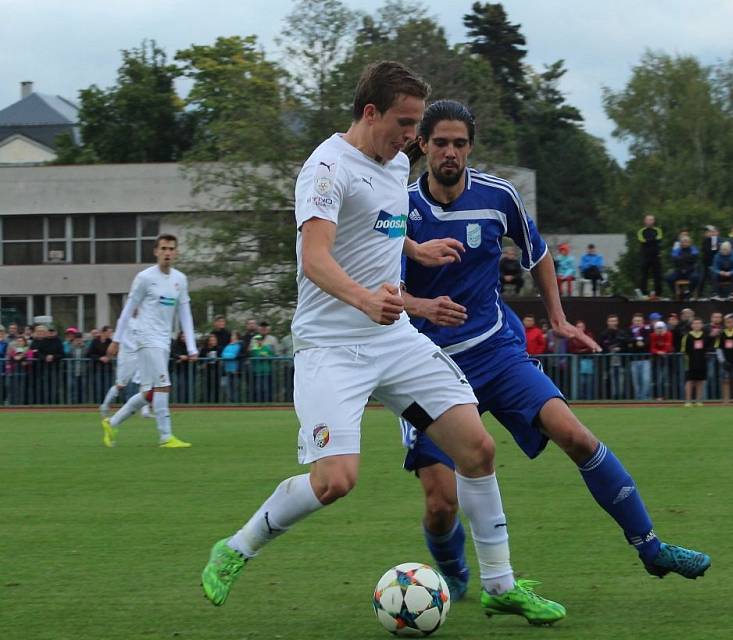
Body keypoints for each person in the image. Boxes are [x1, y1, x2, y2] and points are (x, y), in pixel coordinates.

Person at [200, 64, 562, 624]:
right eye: (407, 123)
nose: (413, 138)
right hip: (332, 349)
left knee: (477, 450)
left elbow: (382, 227)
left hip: (395, 343)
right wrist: (365, 299)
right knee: (335, 481)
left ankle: (500, 585)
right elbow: (314, 258)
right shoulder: (325, 169)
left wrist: (416, 252)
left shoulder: (395, 161)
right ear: (371, 113)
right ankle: (236, 547)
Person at [396, 99, 709, 609]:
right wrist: (421, 304)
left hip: (498, 351)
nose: (450, 152)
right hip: (427, 366)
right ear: (423, 145)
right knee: (440, 503)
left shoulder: (499, 197)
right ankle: (452, 573)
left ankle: (651, 548)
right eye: (440, 143)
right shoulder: (400, 209)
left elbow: (538, 253)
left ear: (470, 147)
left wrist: (560, 319)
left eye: (459, 143)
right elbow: (383, 287)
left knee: (576, 435)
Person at [102, 234, 198, 448]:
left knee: (149, 393)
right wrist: (116, 339)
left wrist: (191, 346)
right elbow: (128, 310)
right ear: (156, 251)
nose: (167, 252)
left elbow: (185, 314)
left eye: (171, 249)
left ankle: (112, 422)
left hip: (164, 340)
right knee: (164, 385)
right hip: (146, 338)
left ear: (176, 252)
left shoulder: (179, 279)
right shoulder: (145, 277)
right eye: (163, 248)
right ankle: (166, 437)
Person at [100, 313, 153, 418]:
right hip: (126, 356)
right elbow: (122, 338)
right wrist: (135, 347)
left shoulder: (143, 319)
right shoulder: (124, 319)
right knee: (120, 385)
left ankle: (145, 411)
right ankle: (105, 406)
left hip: (139, 355)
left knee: (144, 382)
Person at [681, 318, 710, 406]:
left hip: (702, 362)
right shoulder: (687, 336)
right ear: (692, 325)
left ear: (702, 325)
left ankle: (698, 400)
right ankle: (688, 401)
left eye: (699, 323)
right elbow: (684, 350)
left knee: (700, 381)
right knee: (690, 381)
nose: (697, 325)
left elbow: (707, 349)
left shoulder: (705, 336)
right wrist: (687, 362)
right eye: (695, 323)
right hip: (690, 362)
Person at [599, 314, 627, 400]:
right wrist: (609, 349)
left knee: (621, 380)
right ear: (607, 322)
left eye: (614, 321)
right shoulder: (603, 334)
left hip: (620, 362)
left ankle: (621, 398)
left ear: (617, 322)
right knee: (610, 381)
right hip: (608, 363)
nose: (613, 323)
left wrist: (620, 348)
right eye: (611, 321)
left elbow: (626, 345)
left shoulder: (622, 333)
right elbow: (601, 347)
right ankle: (611, 398)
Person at [637, 215, 663, 297]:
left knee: (657, 275)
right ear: (645, 221)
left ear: (654, 221)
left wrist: (649, 240)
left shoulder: (658, 230)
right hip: (645, 256)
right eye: (648, 220)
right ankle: (644, 293)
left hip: (656, 255)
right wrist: (652, 240)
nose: (650, 221)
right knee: (644, 275)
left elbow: (659, 238)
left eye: (651, 220)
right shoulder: (641, 231)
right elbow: (642, 240)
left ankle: (658, 293)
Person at [628, 313, 652, 400]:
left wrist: (643, 343)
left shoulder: (647, 330)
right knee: (636, 382)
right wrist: (635, 341)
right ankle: (638, 399)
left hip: (645, 359)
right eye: (636, 320)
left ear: (642, 321)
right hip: (634, 360)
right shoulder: (629, 330)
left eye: (639, 320)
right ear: (633, 321)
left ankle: (644, 398)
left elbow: (648, 341)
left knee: (646, 380)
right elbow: (628, 341)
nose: (637, 322)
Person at [649, 321, 674, 401]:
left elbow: (669, 345)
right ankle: (657, 396)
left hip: (666, 360)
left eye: (661, 328)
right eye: (658, 328)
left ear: (664, 328)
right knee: (657, 379)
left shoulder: (668, 334)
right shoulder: (652, 335)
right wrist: (658, 352)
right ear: (655, 329)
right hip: (656, 360)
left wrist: (663, 351)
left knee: (666, 379)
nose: (659, 330)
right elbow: (652, 348)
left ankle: (667, 396)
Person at [248, 333, 274, 402]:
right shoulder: (254, 349)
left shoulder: (267, 348)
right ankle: (259, 403)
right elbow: (252, 356)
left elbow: (272, 356)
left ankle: (268, 403)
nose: (258, 341)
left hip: (266, 372)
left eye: (260, 340)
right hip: (257, 372)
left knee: (266, 389)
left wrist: (267, 357)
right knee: (258, 389)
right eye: (257, 340)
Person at [696, 226, 720, 297]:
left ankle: (715, 294)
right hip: (705, 264)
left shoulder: (715, 241)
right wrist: (707, 238)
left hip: (713, 264)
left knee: (713, 278)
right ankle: (698, 295)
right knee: (701, 279)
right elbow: (705, 251)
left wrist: (714, 239)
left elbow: (714, 252)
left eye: (713, 232)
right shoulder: (705, 240)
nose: (711, 233)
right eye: (710, 232)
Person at [221, 330, 243, 403]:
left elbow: (234, 355)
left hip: (235, 371)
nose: (232, 337)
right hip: (227, 370)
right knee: (228, 389)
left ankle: (236, 404)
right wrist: (229, 355)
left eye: (233, 335)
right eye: (231, 335)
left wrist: (228, 355)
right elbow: (223, 354)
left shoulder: (238, 345)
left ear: (237, 337)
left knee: (235, 388)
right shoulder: (228, 346)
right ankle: (230, 404)